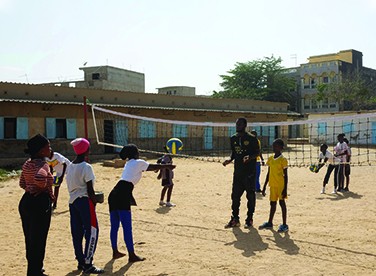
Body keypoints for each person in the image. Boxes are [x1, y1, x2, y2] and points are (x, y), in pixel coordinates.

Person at [108, 144, 176, 262]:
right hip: (123, 195)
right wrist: (168, 166)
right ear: (134, 153)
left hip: (114, 194)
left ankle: (115, 252)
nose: (139, 153)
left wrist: (164, 166)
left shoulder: (129, 163)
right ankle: (132, 255)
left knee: (114, 226)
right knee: (127, 227)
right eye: (137, 151)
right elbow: (152, 167)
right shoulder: (138, 162)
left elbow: (152, 167)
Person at [65, 138, 104, 274]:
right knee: (92, 231)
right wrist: (94, 202)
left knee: (77, 233)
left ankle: (80, 261)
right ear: (86, 150)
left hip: (72, 201)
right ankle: (88, 263)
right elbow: (90, 190)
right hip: (84, 201)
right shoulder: (86, 167)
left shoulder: (70, 166)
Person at [19, 134, 54, 276]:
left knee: (30, 238)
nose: (50, 148)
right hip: (40, 203)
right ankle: (35, 271)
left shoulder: (27, 163)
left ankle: (33, 269)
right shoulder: (43, 165)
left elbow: (22, 183)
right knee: (39, 239)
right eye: (48, 146)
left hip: (26, 201)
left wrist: (31, 187)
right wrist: (41, 187)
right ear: (41, 151)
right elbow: (40, 177)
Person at [223, 117, 260, 229]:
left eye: (239, 124)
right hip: (238, 172)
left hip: (249, 172)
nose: (237, 126)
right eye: (236, 124)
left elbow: (257, 152)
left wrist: (250, 157)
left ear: (244, 125)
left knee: (250, 196)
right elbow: (234, 153)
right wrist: (229, 159)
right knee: (235, 196)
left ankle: (249, 219)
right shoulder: (233, 138)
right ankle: (235, 219)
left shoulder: (251, 138)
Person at [259, 138, 289, 233]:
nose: (274, 147)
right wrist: (264, 187)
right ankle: (270, 222)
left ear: (281, 147)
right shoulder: (271, 158)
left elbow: (286, 176)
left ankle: (284, 224)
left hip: (280, 185)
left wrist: (285, 189)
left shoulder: (283, 160)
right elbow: (268, 173)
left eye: (276, 146)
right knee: (272, 203)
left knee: (282, 203)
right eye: (273, 146)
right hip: (272, 185)